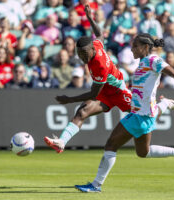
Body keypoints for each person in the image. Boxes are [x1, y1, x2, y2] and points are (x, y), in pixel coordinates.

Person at [74, 33, 174, 193]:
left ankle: (96, 185)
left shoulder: (153, 60)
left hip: (140, 116)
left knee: (111, 145)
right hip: (142, 114)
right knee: (143, 152)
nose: (132, 48)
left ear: (144, 47)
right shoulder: (144, 62)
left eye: (135, 46)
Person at [44, 4, 133, 153]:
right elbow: (100, 35)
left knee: (145, 113)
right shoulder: (95, 45)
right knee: (82, 112)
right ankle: (61, 142)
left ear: (92, 49)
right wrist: (90, 18)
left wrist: (69, 99)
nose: (83, 57)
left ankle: (163, 104)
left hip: (119, 92)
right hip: (105, 91)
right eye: (80, 54)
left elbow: (93, 94)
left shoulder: (99, 65)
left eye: (85, 53)